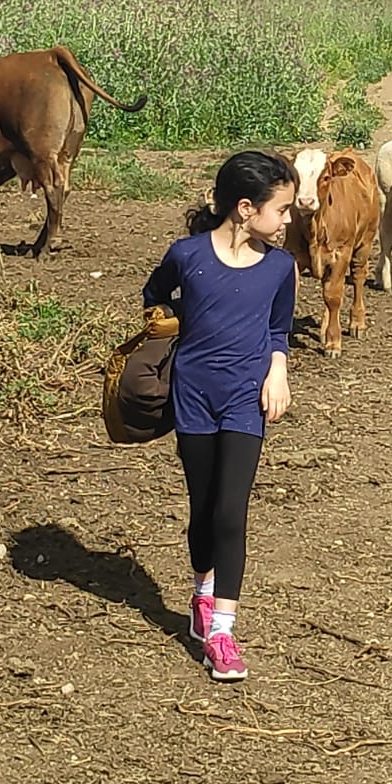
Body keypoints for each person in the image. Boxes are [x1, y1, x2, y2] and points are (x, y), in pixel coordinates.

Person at [142, 150, 298, 682]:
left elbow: (279, 330)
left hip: (244, 399)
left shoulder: (281, 267)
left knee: (232, 511)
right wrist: (169, 324)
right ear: (246, 208)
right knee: (203, 509)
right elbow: (155, 296)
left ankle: (223, 631)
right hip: (192, 396)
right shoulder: (187, 256)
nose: (289, 219)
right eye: (283, 209)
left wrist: (277, 371)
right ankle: (202, 593)